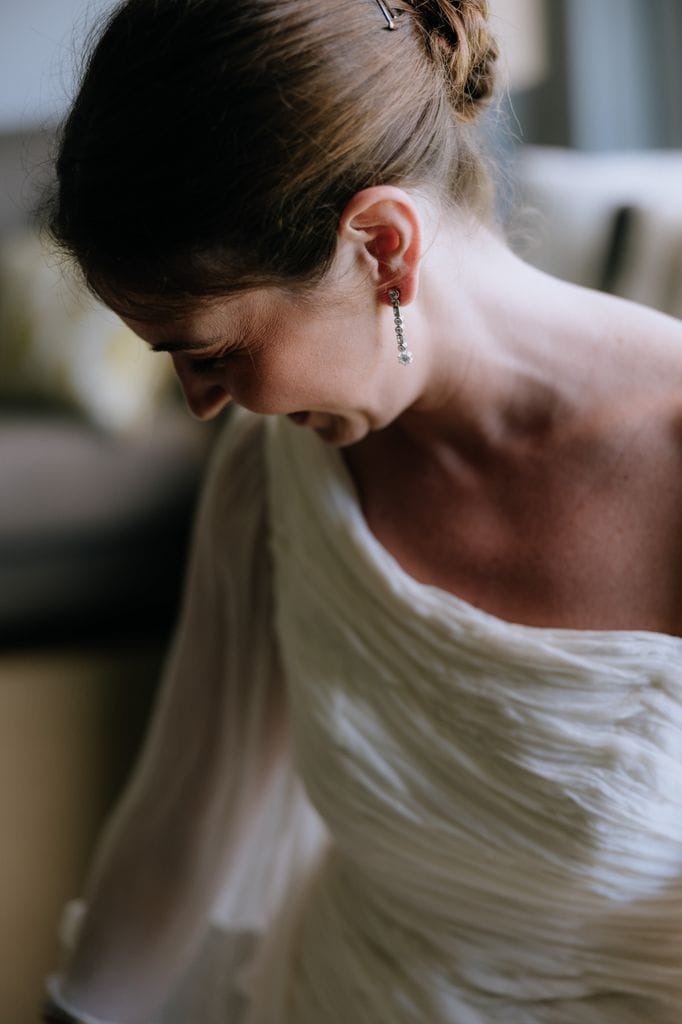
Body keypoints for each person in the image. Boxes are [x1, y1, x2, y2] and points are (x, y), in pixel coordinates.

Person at [41, 0, 682, 1021]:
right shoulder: (273, 467)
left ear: (384, 246)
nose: (202, 404)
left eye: (213, 352)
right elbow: (180, 828)